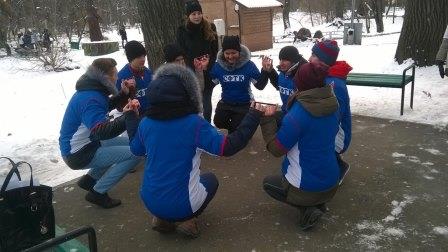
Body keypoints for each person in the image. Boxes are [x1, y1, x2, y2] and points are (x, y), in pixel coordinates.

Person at [125, 63, 266, 238]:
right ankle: (187, 220)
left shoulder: (146, 123)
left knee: (183, 179)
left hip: (149, 199)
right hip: (182, 204)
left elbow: (136, 150)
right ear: (187, 95)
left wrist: (131, 116)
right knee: (211, 180)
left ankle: (162, 219)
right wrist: (252, 116)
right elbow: (227, 147)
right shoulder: (194, 124)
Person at [260, 62, 340, 231]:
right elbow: (314, 128)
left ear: (300, 84)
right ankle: (319, 202)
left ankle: (307, 208)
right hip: (332, 181)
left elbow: (276, 149)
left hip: (307, 185)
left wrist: (267, 120)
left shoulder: (298, 115)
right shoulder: (333, 104)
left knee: (268, 183)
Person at [59, 58, 141, 209]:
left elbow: (104, 107)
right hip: (78, 154)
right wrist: (127, 116)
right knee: (135, 152)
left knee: (131, 144)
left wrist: (123, 94)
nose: (117, 78)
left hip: (88, 143)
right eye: (114, 75)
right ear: (104, 77)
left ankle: (90, 180)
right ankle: (98, 192)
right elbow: (102, 131)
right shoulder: (90, 98)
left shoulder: (92, 91)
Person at [308, 40, 352, 184]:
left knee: (316, 144)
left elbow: (334, 117)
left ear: (323, 60)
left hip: (338, 133)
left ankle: (338, 168)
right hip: (329, 128)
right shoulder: (324, 76)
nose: (309, 58)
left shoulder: (335, 84)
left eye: (313, 55)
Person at [211, 35, 269, 133]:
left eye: (234, 53)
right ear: (223, 53)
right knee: (218, 122)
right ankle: (239, 130)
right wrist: (202, 70)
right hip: (226, 103)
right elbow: (210, 84)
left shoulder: (249, 65)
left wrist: (265, 71)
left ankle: (243, 129)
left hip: (244, 104)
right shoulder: (218, 66)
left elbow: (260, 86)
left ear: (239, 52)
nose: (230, 56)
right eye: (227, 53)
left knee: (235, 128)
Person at [176, 0, 219, 122]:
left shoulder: (210, 28)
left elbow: (215, 51)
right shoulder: (182, 31)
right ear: (188, 16)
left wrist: (207, 64)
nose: (197, 16)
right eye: (193, 14)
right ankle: (193, 129)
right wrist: (192, 64)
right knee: (192, 104)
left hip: (207, 72)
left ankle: (206, 128)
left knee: (206, 104)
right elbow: (181, 53)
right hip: (191, 72)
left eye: (199, 13)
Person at [261, 46, 308, 114]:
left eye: (285, 60)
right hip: (285, 113)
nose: (281, 63)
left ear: (294, 61)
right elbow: (280, 86)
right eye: (280, 60)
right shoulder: (284, 72)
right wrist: (271, 72)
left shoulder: (303, 75)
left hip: (298, 117)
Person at [116, 40, 152, 114]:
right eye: (139, 57)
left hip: (152, 114)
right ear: (131, 58)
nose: (143, 59)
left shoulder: (148, 72)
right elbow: (119, 106)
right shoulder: (122, 77)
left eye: (144, 56)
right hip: (136, 117)